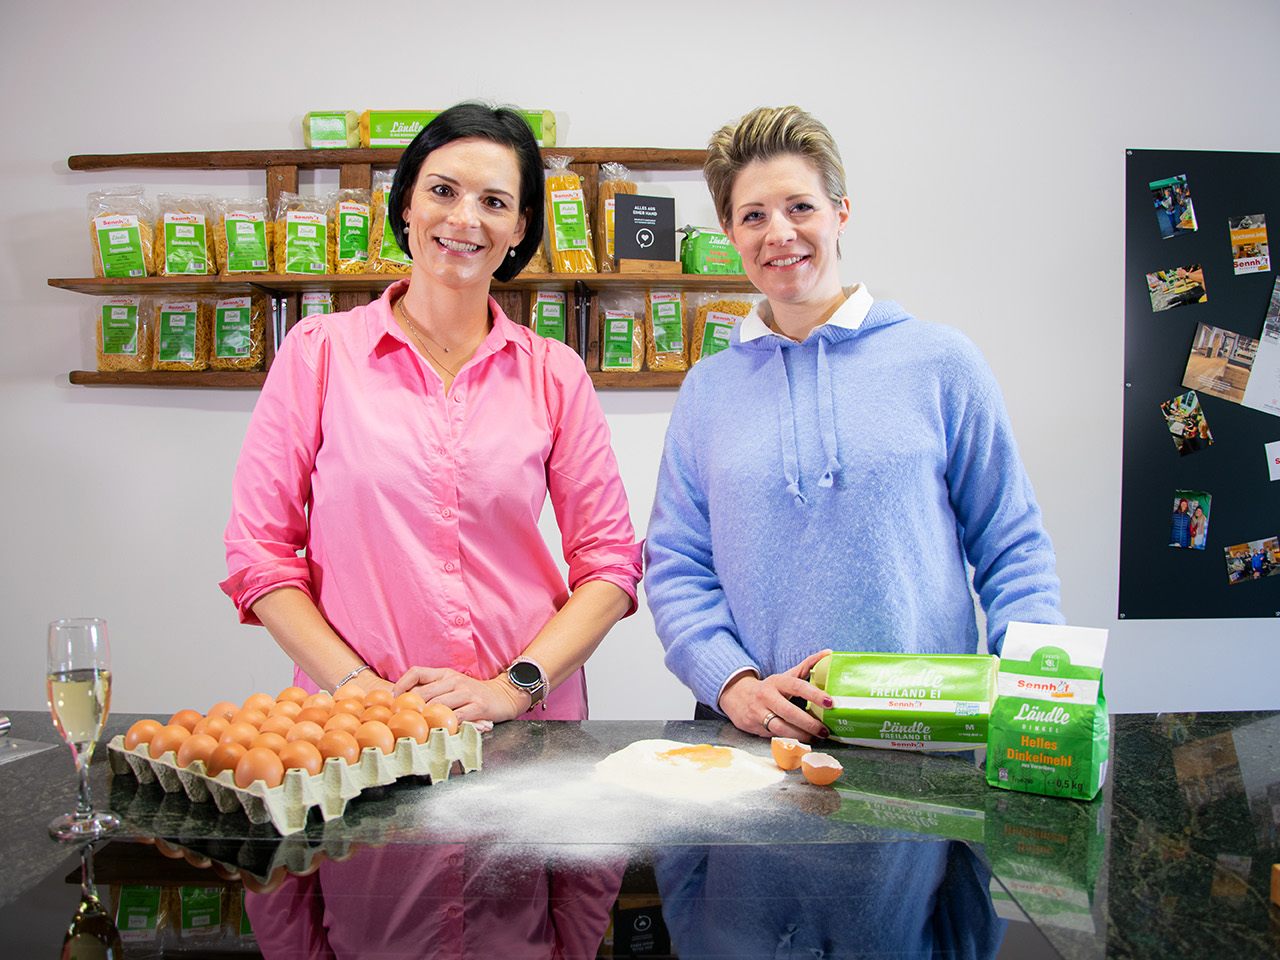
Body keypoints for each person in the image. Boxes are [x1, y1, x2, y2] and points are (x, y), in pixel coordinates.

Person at [645, 106, 1063, 742]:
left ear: (841, 214)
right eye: (753, 215)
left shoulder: (941, 362)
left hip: (926, 732)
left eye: (800, 207)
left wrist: (1032, 695)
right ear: (731, 233)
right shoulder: (708, 389)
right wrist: (732, 682)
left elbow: (1012, 545)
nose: (779, 233)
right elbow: (676, 562)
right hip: (762, 734)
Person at [221, 103, 642, 723]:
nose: (464, 218)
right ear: (406, 206)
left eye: (494, 202)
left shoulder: (554, 373)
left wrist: (511, 688)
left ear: (521, 226)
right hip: (355, 725)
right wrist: (359, 688)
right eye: (442, 191)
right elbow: (259, 552)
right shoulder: (319, 354)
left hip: (524, 726)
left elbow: (609, 564)